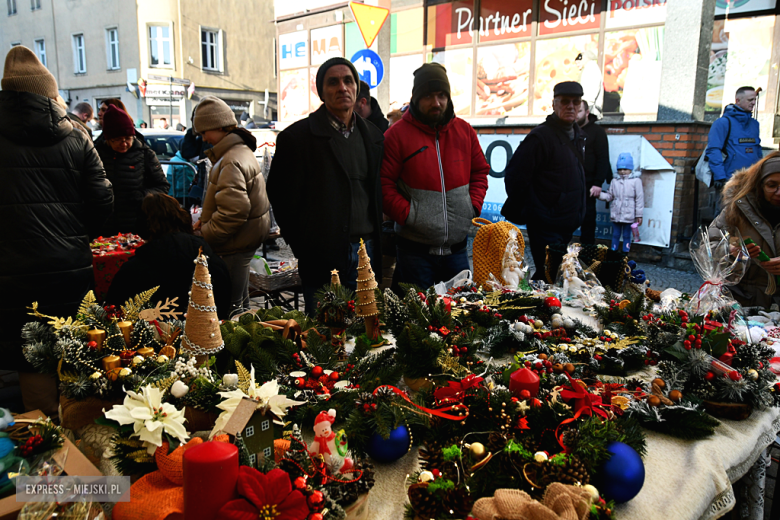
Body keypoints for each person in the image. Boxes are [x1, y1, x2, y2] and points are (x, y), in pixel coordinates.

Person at [0, 46, 113, 415]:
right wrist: (70, 235)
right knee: (77, 355)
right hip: (70, 270)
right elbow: (102, 208)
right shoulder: (77, 136)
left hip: (11, 275)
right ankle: (85, 452)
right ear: (50, 93)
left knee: (32, 363)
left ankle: (47, 458)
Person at [267, 57, 384, 315]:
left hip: (368, 253)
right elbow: (280, 197)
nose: (342, 87)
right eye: (333, 82)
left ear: (356, 88)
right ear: (322, 91)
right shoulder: (296, 139)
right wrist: (305, 248)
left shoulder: (373, 136)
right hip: (323, 258)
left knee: (369, 332)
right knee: (327, 338)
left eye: (348, 81)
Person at [381, 63, 489, 291]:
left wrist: (472, 205)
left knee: (460, 317)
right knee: (414, 321)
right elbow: (384, 185)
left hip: (457, 253)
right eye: (428, 96)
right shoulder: (396, 135)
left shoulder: (465, 131)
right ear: (416, 98)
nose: (436, 102)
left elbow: (480, 171)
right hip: (414, 254)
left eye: (441, 95)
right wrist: (409, 215)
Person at [192, 96, 271, 315]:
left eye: (204, 132)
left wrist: (206, 232)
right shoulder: (238, 152)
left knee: (231, 308)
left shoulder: (230, 159)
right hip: (243, 239)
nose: (204, 138)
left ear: (216, 126)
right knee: (240, 305)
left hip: (235, 242)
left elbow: (233, 212)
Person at [502, 81, 587, 280]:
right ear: (554, 104)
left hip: (567, 223)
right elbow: (515, 179)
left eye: (576, 102)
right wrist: (538, 210)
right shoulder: (540, 137)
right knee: (549, 276)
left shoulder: (578, 135)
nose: (571, 106)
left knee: (558, 277)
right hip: (547, 225)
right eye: (565, 102)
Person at [106, 193, 231, 319]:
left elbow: (112, 312)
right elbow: (224, 308)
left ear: (143, 226)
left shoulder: (132, 271)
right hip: (209, 333)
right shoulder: (213, 262)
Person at [709, 152, 780, 308]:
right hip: (742, 303)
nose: (779, 192)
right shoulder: (738, 208)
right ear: (760, 185)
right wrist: (729, 250)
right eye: (771, 185)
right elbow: (707, 245)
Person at [95, 105, 169, 236]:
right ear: (107, 139)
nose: (124, 143)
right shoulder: (95, 154)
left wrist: (141, 195)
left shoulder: (145, 154)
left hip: (137, 223)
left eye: (128, 138)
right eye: (117, 139)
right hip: (104, 224)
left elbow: (162, 186)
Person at [706, 86, 763, 216]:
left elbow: (757, 150)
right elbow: (713, 150)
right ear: (738, 100)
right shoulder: (723, 123)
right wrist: (720, 177)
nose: (753, 103)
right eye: (750, 100)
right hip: (730, 180)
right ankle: (720, 238)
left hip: (751, 180)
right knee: (725, 218)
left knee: (749, 218)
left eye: (754, 99)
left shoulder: (754, 124)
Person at [576, 100, 611, 244]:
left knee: (588, 219)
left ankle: (587, 252)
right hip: (571, 182)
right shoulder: (569, 131)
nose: (575, 115)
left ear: (587, 112)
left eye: (579, 111)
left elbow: (603, 159)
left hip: (590, 184)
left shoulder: (597, 132)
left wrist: (598, 183)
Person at [598, 153, 643, 252]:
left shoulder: (636, 181)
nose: (622, 172)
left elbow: (639, 199)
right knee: (615, 234)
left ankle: (625, 254)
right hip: (616, 214)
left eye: (625, 169)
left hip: (629, 215)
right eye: (620, 169)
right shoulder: (615, 181)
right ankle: (614, 251)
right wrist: (598, 194)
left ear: (631, 169)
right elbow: (610, 196)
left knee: (627, 235)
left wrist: (639, 215)